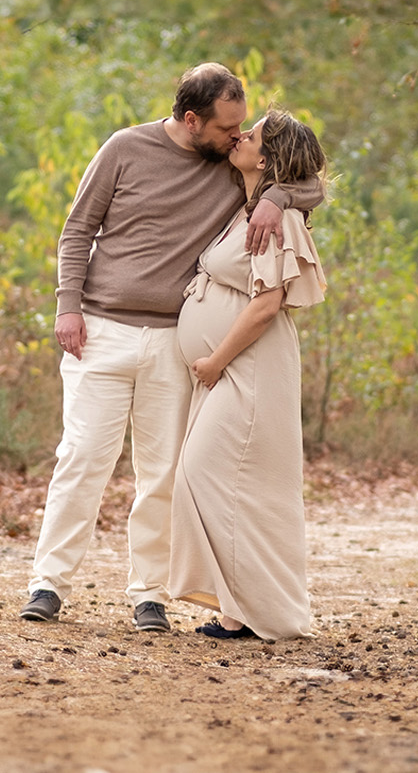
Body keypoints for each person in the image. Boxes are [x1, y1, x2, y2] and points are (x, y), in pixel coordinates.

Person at [21, 63, 322, 631]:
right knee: (82, 459)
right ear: (191, 119)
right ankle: (47, 583)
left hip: (170, 346)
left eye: (243, 129)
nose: (238, 137)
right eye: (228, 128)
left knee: (161, 473)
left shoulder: (233, 170)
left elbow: (311, 181)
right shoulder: (124, 148)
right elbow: (77, 228)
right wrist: (67, 306)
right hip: (100, 331)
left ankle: (148, 595)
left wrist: (276, 197)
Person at [168, 109, 328, 641]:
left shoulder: (276, 218)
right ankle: (238, 612)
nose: (240, 136)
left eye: (252, 135)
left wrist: (215, 360)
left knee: (205, 472)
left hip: (250, 367)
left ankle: (261, 611)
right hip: (233, 368)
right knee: (236, 486)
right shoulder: (249, 208)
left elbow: (266, 305)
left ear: (265, 157)